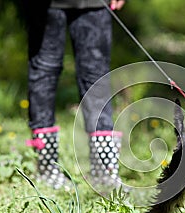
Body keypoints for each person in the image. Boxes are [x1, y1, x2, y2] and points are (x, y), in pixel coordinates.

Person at [23, 0, 126, 189]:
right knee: (44, 71)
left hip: (94, 4)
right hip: (46, 6)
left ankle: (105, 171)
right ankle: (47, 169)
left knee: (97, 76)